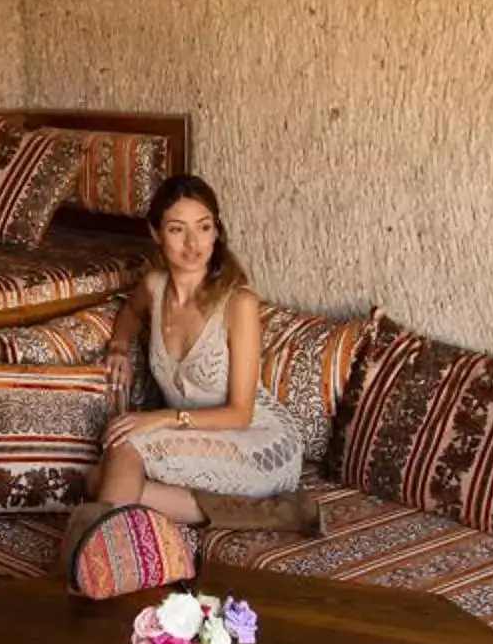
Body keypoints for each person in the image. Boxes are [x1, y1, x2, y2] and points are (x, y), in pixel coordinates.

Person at [63, 173, 320, 554]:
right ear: (155, 234)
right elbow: (131, 313)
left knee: (128, 448)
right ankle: (266, 512)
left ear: (217, 230)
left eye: (204, 227)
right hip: (203, 436)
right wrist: (118, 346)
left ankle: (98, 566)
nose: (193, 244)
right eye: (177, 229)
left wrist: (162, 418)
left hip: (258, 440)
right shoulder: (154, 286)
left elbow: (240, 414)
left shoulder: (238, 304)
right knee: (97, 478)